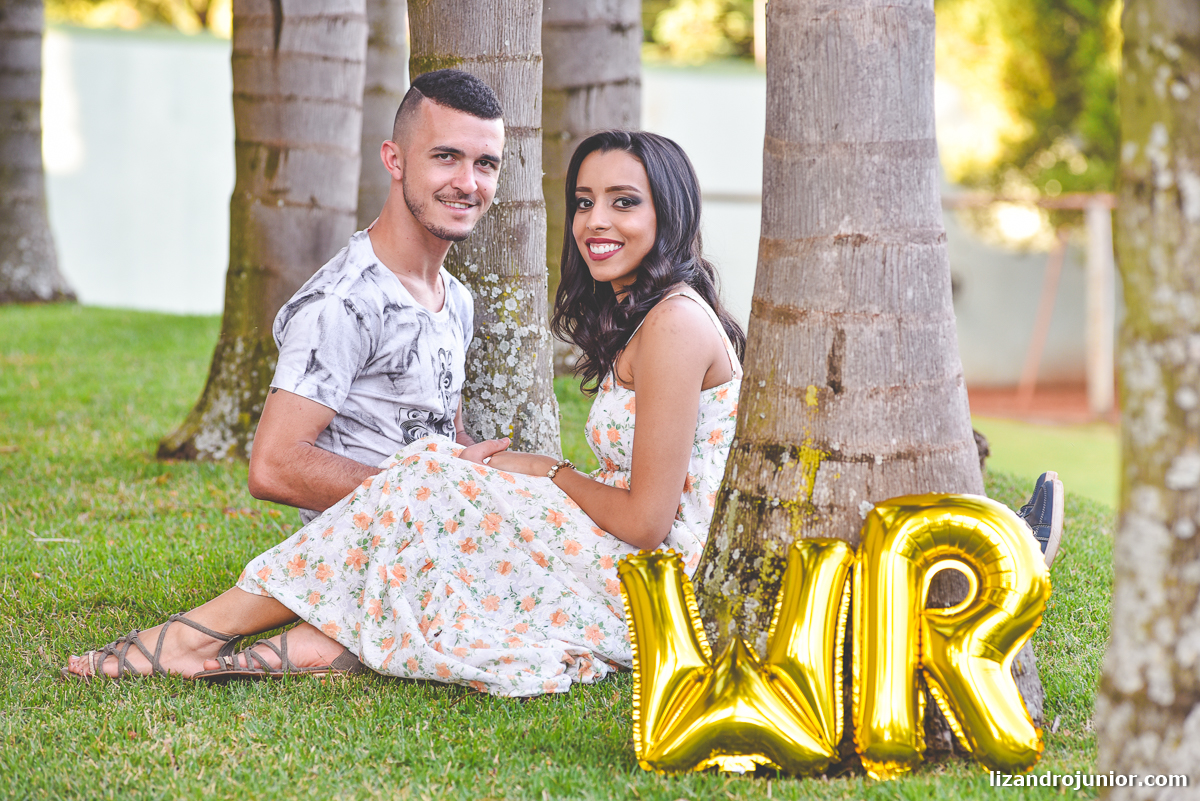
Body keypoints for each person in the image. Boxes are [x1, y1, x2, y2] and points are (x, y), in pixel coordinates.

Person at [64, 130, 748, 695]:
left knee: (432, 476)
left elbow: (648, 519)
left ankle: (197, 633)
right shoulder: (651, 317)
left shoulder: (673, 327)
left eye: (623, 202)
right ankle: (315, 641)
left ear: (670, 213)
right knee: (439, 474)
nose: (595, 222)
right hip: (630, 552)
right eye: (584, 202)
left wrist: (548, 471)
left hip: (660, 585)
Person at [248, 68, 512, 526]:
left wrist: (484, 468)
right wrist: (426, 492)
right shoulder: (343, 303)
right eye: (446, 157)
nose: (468, 183)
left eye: (485, 163)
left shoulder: (456, 300)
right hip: (365, 552)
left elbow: (443, 431)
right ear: (395, 160)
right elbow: (273, 466)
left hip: (441, 532)